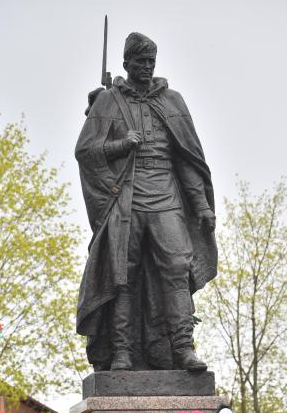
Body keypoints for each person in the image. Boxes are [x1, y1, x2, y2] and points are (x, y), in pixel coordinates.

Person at [75, 32, 217, 372]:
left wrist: (201, 205)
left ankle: (183, 349)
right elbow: (86, 151)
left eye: (151, 62)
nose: (147, 68)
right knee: (123, 275)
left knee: (177, 271)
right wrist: (122, 144)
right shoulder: (109, 102)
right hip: (126, 199)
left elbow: (187, 158)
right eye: (140, 62)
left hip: (167, 197)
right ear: (126, 64)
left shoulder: (173, 101)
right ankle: (122, 352)